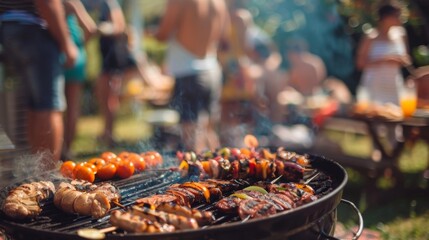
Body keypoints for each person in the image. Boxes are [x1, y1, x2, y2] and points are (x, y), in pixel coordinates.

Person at [0, 0, 77, 167]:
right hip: (35, 30)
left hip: (10, 28)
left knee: (34, 105)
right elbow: (47, 2)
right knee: (49, 107)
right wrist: (67, 44)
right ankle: (47, 178)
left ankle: (37, 174)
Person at [154, 0, 229, 153]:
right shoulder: (219, 2)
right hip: (212, 71)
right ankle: (219, 172)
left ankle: (198, 176)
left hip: (188, 74)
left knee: (192, 140)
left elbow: (162, 34)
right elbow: (224, 40)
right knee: (209, 133)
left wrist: (149, 32)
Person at [95, 0, 139, 147]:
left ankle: (109, 134)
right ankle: (107, 133)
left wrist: (100, 29)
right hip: (108, 58)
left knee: (109, 98)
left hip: (112, 58)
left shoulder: (110, 3)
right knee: (105, 97)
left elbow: (119, 27)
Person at [356, 3, 411, 106]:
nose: (400, 19)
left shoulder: (401, 34)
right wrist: (385, 60)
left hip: (394, 86)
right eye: (397, 16)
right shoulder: (370, 37)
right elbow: (360, 64)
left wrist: (401, 60)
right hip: (374, 87)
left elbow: (407, 59)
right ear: (386, 18)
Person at [62, 0, 97, 160]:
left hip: (58, 52)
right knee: (72, 107)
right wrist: (79, 44)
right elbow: (90, 28)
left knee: (56, 108)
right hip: (76, 55)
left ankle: (57, 149)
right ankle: (67, 149)